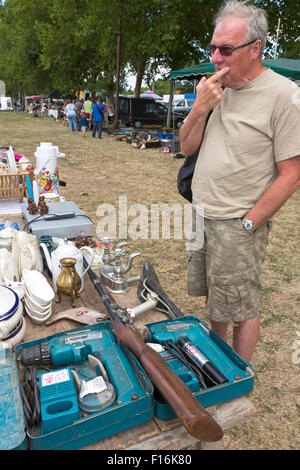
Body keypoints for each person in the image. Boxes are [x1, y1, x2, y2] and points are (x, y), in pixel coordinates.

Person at [180, 0, 300, 362]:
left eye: (226, 49)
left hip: (238, 222)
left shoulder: (285, 95)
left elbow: (292, 172)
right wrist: (200, 107)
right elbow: (187, 146)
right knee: (217, 300)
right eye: (213, 47)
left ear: (255, 48)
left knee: (242, 306)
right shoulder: (216, 90)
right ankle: (217, 366)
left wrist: (250, 222)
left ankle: (239, 374)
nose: (216, 57)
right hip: (204, 212)